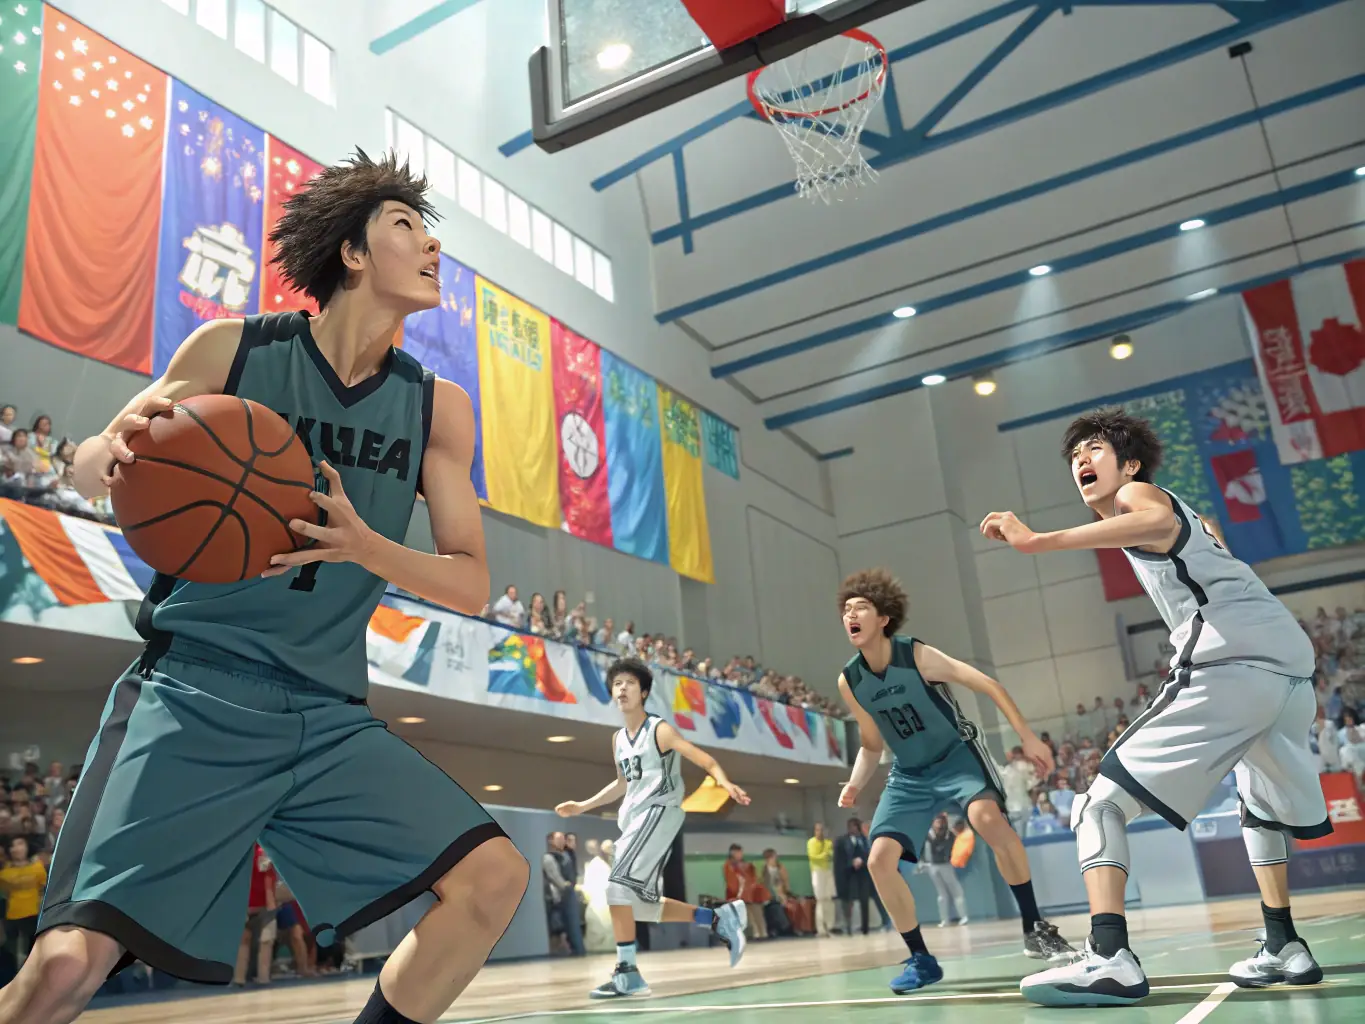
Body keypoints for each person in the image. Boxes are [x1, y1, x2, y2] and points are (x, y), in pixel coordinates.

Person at [0, 151, 530, 1024]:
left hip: (325, 712)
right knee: (64, 968)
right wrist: (113, 449)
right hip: (193, 692)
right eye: (407, 227)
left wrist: (366, 547)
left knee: (491, 879)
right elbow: (92, 466)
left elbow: (470, 584)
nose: (433, 247)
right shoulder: (234, 349)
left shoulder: (438, 408)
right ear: (353, 253)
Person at [981, 407, 1332, 1006]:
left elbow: (1155, 517)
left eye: (1095, 449)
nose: (1082, 460)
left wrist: (1037, 541)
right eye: (1075, 456)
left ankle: (1109, 956)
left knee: (1097, 803)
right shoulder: (1185, 517)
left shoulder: (1138, 495)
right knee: (1260, 806)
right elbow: (1208, 541)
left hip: (1231, 660)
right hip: (1289, 671)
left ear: (1131, 465)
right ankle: (1284, 943)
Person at [835, 568, 1075, 995]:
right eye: (846, 609)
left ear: (883, 618)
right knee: (878, 861)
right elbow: (871, 744)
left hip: (956, 758)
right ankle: (921, 960)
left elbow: (988, 684)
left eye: (861, 607)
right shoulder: (850, 680)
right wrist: (855, 784)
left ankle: (1035, 927)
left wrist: (1027, 737)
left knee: (986, 818)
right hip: (909, 775)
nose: (850, 614)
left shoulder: (916, 655)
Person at [556, 658, 750, 999]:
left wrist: (724, 782)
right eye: (617, 684)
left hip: (659, 811)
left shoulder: (659, 730)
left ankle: (627, 973)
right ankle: (718, 918)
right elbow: (622, 783)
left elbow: (703, 759)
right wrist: (583, 806)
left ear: (643, 692)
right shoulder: (617, 739)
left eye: (629, 683)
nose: (622, 688)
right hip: (633, 820)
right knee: (635, 903)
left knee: (616, 888)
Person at [1, 838, 45, 970]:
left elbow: (43, 886)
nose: (17, 848)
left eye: (20, 844)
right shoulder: (4, 871)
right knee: (15, 954)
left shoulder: (37, 867)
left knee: (34, 952)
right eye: (13, 846)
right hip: (13, 914)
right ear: (9, 850)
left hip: (35, 913)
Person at [920, 815, 966, 927]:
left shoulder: (945, 834)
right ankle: (947, 919)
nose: (939, 825)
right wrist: (923, 862)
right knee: (946, 893)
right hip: (936, 865)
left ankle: (959, 917)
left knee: (952, 892)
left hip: (942, 865)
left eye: (940, 822)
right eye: (937, 822)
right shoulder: (931, 835)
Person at [806, 823, 836, 937]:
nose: (820, 832)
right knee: (820, 899)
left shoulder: (828, 843)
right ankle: (821, 929)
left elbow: (831, 855)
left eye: (822, 830)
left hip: (828, 871)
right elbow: (814, 856)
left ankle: (830, 927)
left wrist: (827, 854)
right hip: (817, 871)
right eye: (818, 830)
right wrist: (824, 854)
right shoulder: (811, 842)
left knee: (829, 899)